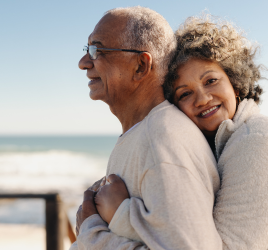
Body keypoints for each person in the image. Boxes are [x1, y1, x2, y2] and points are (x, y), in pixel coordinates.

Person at [96, 15, 268, 249]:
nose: (203, 99)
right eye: (184, 94)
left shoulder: (260, 142)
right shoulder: (223, 145)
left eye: (211, 81)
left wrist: (121, 214)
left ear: (235, 84)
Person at [70, 7, 223, 250]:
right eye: (86, 49)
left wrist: (90, 235)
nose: (83, 63)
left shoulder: (163, 139)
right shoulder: (145, 132)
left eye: (97, 50)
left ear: (141, 65)